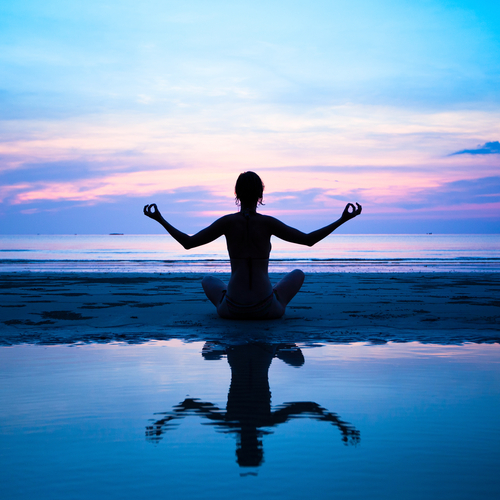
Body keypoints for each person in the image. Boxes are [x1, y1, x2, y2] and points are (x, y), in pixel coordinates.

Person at [143, 171, 361, 319]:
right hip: (266, 308)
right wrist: (342, 220)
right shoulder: (268, 223)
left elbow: (188, 243)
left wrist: (160, 219)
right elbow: (308, 240)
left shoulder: (227, 222)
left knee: (208, 279)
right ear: (260, 194)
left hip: (232, 309)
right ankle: (272, 296)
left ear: (236, 194)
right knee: (298, 273)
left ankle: (229, 298)